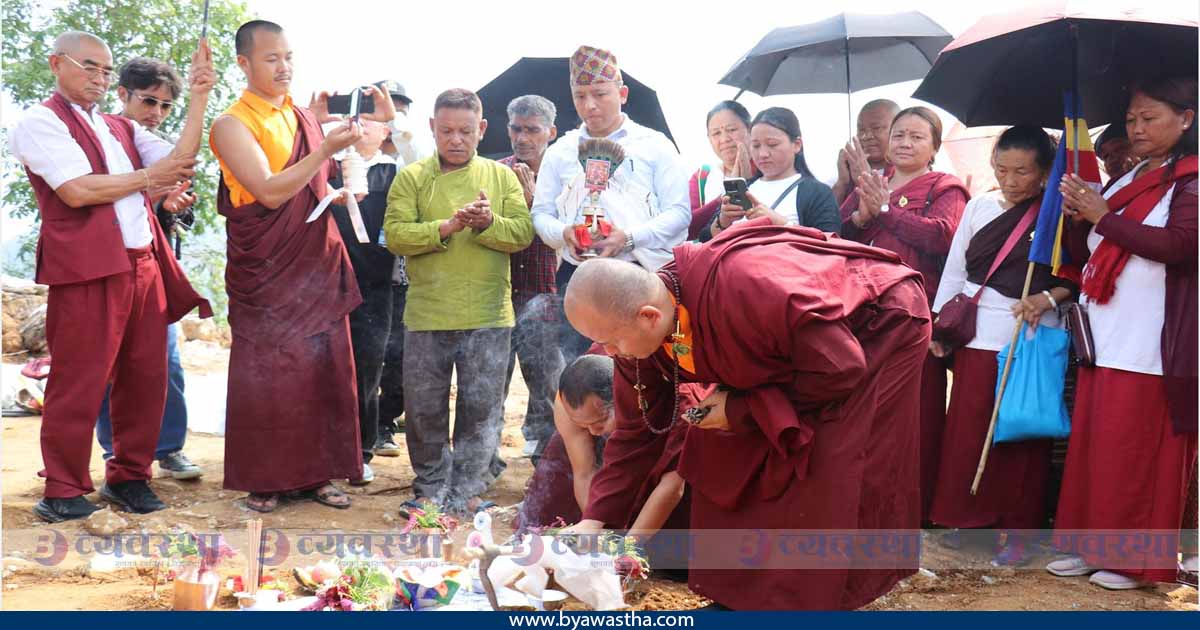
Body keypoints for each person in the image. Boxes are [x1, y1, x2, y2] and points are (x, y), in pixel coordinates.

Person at [562, 221, 930, 610]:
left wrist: (742, 408)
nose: (611, 352)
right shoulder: (643, 333)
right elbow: (637, 433)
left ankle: (809, 599)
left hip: (876, 324)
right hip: (805, 351)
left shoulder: (743, 291)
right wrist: (595, 519)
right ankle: (741, 596)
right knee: (723, 449)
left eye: (612, 341)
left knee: (825, 458)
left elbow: (840, 369)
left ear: (649, 316)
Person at [8, 31, 213, 521]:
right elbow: (78, 191)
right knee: (79, 380)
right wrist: (148, 180)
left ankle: (129, 478)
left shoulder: (118, 128)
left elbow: (179, 161)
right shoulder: (39, 122)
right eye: (90, 67)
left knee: (147, 377)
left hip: (143, 263)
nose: (99, 78)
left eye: (106, 70)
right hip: (87, 268)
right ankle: (62, 487)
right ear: (58, 64)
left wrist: (200, 95)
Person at [210, 20, 378, 512]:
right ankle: (267, 478)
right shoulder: (232, 123)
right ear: (244, 64)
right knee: (270, 371)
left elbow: (310, 183)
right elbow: (267, 190)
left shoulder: (300, 116)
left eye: (288, 58)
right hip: (268, 266)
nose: (283, 68)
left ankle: (321, 474)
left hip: (314, 258)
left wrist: (334, 189)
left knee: (323, 365)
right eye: (270, 59)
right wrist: (326, 149)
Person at [1047, 76, 1198, 590]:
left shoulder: (1192, 180)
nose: (1137, 128)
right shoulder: (1126, 178)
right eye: (1131, 119)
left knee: (1135, 450)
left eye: (1149, 117)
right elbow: (1093, 244)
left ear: (1186, 118)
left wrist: (1103, 216)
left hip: (1155, 338)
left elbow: (1181, 247)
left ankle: (1136, 561)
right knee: (1096, 445)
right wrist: (1078, 216)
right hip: (1107, 330)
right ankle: (1089, 547)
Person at [929, 126, 1076, 565]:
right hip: (976, 336)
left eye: (1022, 172)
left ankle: (1018, 530)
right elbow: (955, 271)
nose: (1011, 181)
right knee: (969, 429)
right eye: (1002, 169)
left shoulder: (1060, 214)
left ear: (1045, 172)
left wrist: (1048, 297)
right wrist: (941, 327)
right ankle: (967, 517)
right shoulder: (979, 206)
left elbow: (1079, 272)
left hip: (1030, 335)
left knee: (1020, 432)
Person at [383, 88, 533, 515]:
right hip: (428, 313)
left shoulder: (502, 177)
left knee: (481, 407)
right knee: (424, 406)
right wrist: (447, 226)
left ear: (481, 130)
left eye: (466, 131)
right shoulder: (412, 178)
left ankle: (467, 489)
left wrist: (489, 222)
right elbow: (395, 235)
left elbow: (521, 234)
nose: (456, 140)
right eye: (446, 130)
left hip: (488, 312)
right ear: (432, 128)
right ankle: (429, 486)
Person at [840, 105, 970, 523]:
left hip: (915, 313)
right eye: (898, 135)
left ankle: (914, 508)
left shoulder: (945, 188)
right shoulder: (873, 182)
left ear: (934, 147)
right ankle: (865, 503)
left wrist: (885, 212)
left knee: (917, 412)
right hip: (864, 311)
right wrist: (861, 213)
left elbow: (943, 238)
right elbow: (839, 236)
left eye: (916, 136)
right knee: (866, 409)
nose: (904, 142)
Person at [531, 45, 690, 364]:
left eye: (600, 94)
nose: (589, 105)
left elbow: (679, 213)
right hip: (579, 277)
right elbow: (541, 213)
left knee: (647, 367)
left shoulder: (654, 146)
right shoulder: (561, 151)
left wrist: (629, 238)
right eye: (580, 96)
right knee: (584, 370)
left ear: (623, 93)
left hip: (642, 275)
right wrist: (566, 234)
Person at [88, 56, 202, 481]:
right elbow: (90, 195)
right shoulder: (99, 139)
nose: (156, 113)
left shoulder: (161, 146)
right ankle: (113, 450)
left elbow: (178, 200)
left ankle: (168, 448)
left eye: (166, 105)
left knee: (164, 363)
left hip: (153, 271)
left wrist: (171, 205)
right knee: (106, 366)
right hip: (104, 268)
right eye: (149, 101)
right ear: (122, 95)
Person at [517, 354, 699, 541]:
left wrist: (629, 546)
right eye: (584, 425)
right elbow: (584, 472)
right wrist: (596, 526)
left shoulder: (677, 403)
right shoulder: (569, 404)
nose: (594, 432)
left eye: (601, 421)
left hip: (676, 447)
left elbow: (672, 487)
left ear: (622, 401)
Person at [327, 117, 402, 485]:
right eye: (356, 119)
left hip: (376, 283)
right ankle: (326, 450)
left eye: (373, 121)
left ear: (387, 131)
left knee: (369, 368)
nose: (362, 127)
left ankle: (362, 450)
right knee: (327, 366)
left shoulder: (395, 171)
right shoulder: (330, 165)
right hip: (329, 281)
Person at [497, 95, 564, 465]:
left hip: (546, 293)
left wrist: (536, 201)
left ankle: (546, 454)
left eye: (532, 130)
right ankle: (485, 461)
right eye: (516, 129)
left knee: (548, 382)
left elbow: (572, 233)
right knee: (493, 382)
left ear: (551, 133)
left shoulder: (565, 177)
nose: (523, 138)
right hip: (499, 294)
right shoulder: (494, 173)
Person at [702, 107, 840, 241]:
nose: (762, 154)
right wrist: (723, 221)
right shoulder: (745, 188)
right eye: (755, 146)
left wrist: (780, 223)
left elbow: (831, 244)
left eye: (772, 144)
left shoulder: (817, 193)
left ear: (797, 144)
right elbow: (704, 240)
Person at [374, 78, 418, 456]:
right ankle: (370, 427)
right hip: (366, 276)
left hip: (405, 276)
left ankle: (386, 420)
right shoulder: (352, 157)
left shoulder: (412, 161)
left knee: (402, 356)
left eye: (398, 108)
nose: (390, 116)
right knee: (371, 354)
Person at [687, 101, 754, 238]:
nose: (724, 139)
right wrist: (724, 197)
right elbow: (687, 226)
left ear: (749, 129)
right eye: (716, 133)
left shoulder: (768, 168)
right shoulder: (702, 176)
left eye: (731, 130)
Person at [833, 99, 900, 205]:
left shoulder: (906, 173)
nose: (867, 136)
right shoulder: (846, 172)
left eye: (876, 128)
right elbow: (824, 217)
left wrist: (866, 181)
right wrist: (842, 182)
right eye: (861, 130)